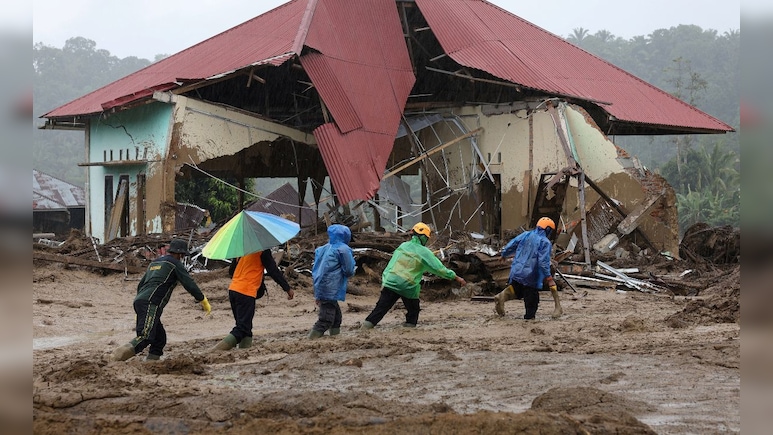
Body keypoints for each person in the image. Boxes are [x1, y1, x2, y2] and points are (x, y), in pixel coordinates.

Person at [111, 239, 211, 361]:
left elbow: (141, 284)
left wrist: (140, 310)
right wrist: (202, 300)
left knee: (159, 338)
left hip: (140, 300)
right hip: (151, 303)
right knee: (145, 336)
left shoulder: (154, 263)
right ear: (180, 254)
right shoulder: (175, 264)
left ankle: (152, 362)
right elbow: (189, 283)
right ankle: (116, 357)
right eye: (183, 255)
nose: (183, 257)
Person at [361, 222, 466, 329]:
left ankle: (365, 328)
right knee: (413, 311)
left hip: (390, 281)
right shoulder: (425, 252)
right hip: (408, 285)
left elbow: (391, 265)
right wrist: (456, 277)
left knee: (380, 309)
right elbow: (440, 269)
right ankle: (409, 329)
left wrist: (385, 282)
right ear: (424, 237)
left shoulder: (403, 246)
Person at [212, 249, 294, 350]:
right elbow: (273, 270)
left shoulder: (242, 250)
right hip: (246, 292)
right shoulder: (262, 250)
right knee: (241, 328)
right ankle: (214, 351)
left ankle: (245, 351)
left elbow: (231, 271)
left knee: (245, 326)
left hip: (233, 290)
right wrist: (287, 288)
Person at [494, 217, 563, 320]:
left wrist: (504, 254)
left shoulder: (526, 234)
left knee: (517, 290)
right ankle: (529, 321)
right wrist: (549, 278)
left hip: (516, 270)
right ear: (548, 229)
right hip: (531, 274)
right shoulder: (545, 242)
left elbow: (513, 244)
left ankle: (502, 296)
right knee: (532, 300)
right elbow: (543, 262)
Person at [308, 224, 356, 339]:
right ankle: (311, 339)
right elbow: (349, 270)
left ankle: (335, 339)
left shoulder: (322, 248)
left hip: (319, 284)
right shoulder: (343, 249)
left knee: (336, 318)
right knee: (326, 319)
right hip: (331, 286)